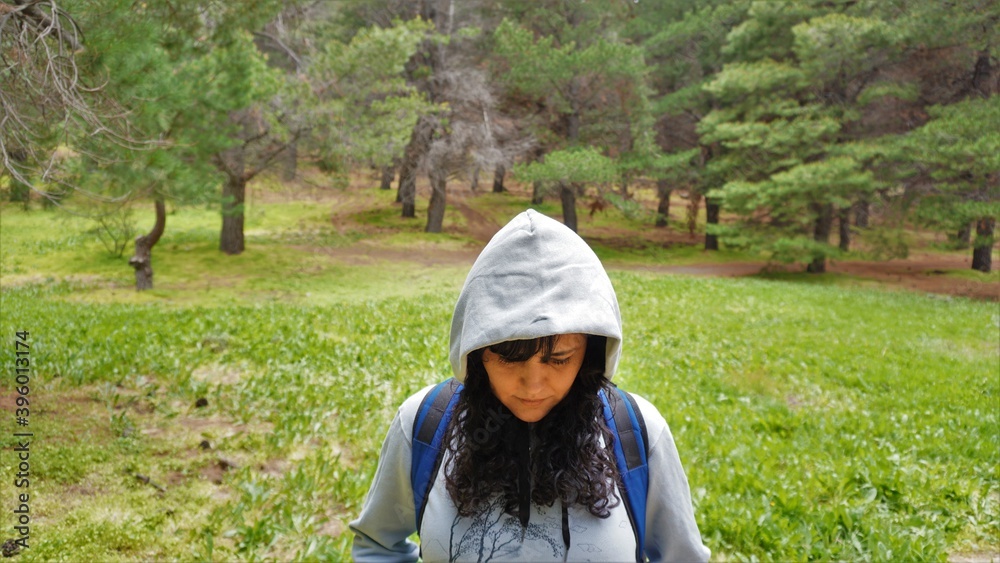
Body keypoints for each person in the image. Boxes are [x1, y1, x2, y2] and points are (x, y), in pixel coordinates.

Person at [350, 209, 710, 562]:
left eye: (559, 359)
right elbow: (377, 546)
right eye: (509, 357)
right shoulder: (423, 424)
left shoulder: (639, 434)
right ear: (475, 353)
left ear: (591, 352)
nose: (534, 385)